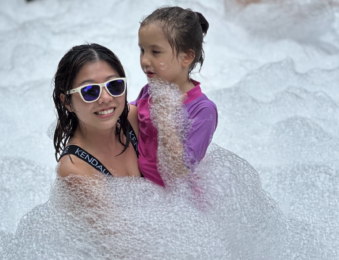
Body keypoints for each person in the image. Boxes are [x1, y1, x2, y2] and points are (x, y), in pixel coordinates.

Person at [131, 6, 218, 187]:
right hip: (142, 189)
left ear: (186, 57)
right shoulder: (149, 90)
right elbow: (127, 114)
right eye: (142, 50)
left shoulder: (203, 110)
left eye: (155, 52)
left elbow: (181, 170)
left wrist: (165, 120)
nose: (145, 60)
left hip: (177, 203)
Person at [52, 43, 141, 178]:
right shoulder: (75, 169)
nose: (106, 98)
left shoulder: (134, 119)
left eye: (114, 85)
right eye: (90, 91)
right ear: (67, 102)